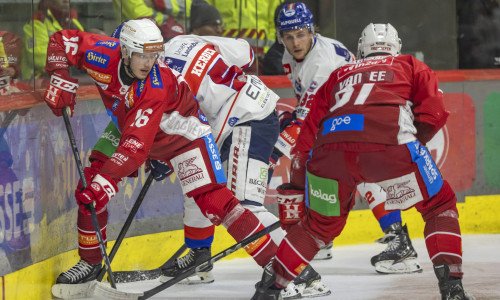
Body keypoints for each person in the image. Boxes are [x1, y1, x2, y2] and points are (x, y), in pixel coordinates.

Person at [42, 18, 280, 285]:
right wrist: (59, 75)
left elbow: (135, 149)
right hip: (130, 123)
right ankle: (90, 262)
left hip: (183, 135)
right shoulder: (101, 53)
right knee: (89, 185)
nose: (149, 63)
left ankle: (279, 264)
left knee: (215, 201)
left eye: (154, 55)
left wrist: (107, 181)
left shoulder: (155, 84)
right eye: (142, 55)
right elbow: (61, 40)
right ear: (122, 50)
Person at [252, 23, 473, 300]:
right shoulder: (409, 64)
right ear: (397, 47)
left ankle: (268, 291)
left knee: (315, 228)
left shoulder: (337, 75)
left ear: (360, 50)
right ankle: (452, 290)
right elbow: (433, 114)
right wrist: (408, 152)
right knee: (439, 206)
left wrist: (297, 186)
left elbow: (305, 139)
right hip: (390, 144)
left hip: (329, 155)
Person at [272, 2, 422, 274]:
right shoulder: (291, 56)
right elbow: (308, 106)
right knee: (323, 169)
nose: (295, 42)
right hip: (342, 110)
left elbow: (306, 118)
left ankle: (399, 240)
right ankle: (323, 237)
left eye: (301, 34)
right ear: (281, 37)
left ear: (312, 30)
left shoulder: (322, 61)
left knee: (359, 170)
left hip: (360, 111)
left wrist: (273, 153)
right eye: (288, 36)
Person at [21, 0, 105, 83]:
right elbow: (39, 58)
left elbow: (83, 47)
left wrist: (96, 38)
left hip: (69, 74)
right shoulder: (38, 21)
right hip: (39, 79)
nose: (66, 1)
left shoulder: (71, 20)